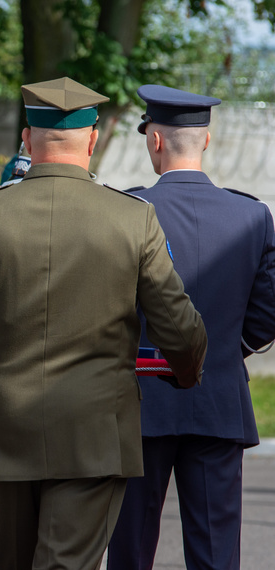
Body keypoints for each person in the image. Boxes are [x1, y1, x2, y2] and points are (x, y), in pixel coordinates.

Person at [0, 76, 208, 569]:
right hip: (95, 429)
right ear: (92, 140)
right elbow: (178, 328)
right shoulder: (131, 217)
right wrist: (187, 371)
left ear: (27, 139)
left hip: (7, 422)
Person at [107, 85, 275, 570]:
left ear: (154, 141)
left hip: (140, 400)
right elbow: (266, 316)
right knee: (216, 552)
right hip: (218, 398)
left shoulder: (127, 211)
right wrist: (216, 352)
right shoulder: (252, 215)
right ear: (207, 140)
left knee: (131, 550)